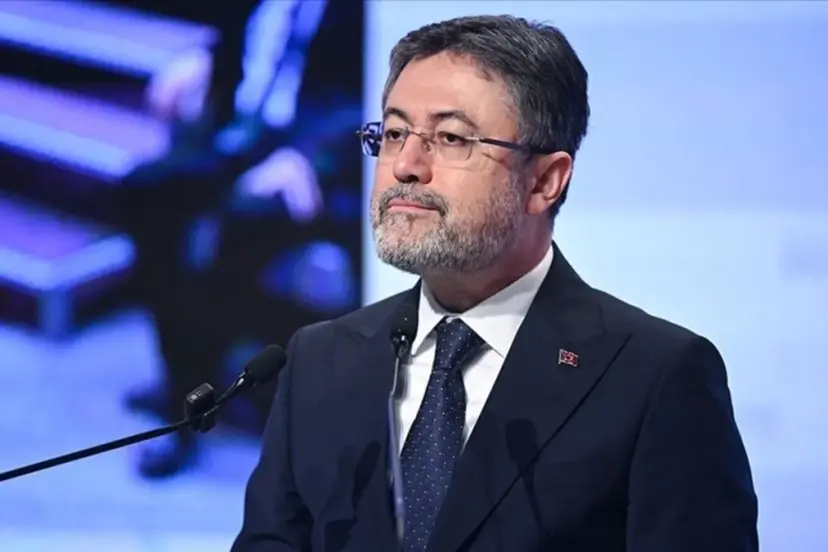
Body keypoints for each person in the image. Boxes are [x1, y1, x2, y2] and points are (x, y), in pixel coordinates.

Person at [231, 15, 759, 552]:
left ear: (545, 181)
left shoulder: (655, 377)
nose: (406, 166)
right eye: (393, 134)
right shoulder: (320, 361)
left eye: (451, 138)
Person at [121, 0, 328, 479]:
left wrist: (308, 156)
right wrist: (201, 60)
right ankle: (184, 374)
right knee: (145, 191)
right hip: (238, 136)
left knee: (238, 226)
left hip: (304, 154)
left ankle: (190, 400)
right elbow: (240, 37)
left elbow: (370, 90)